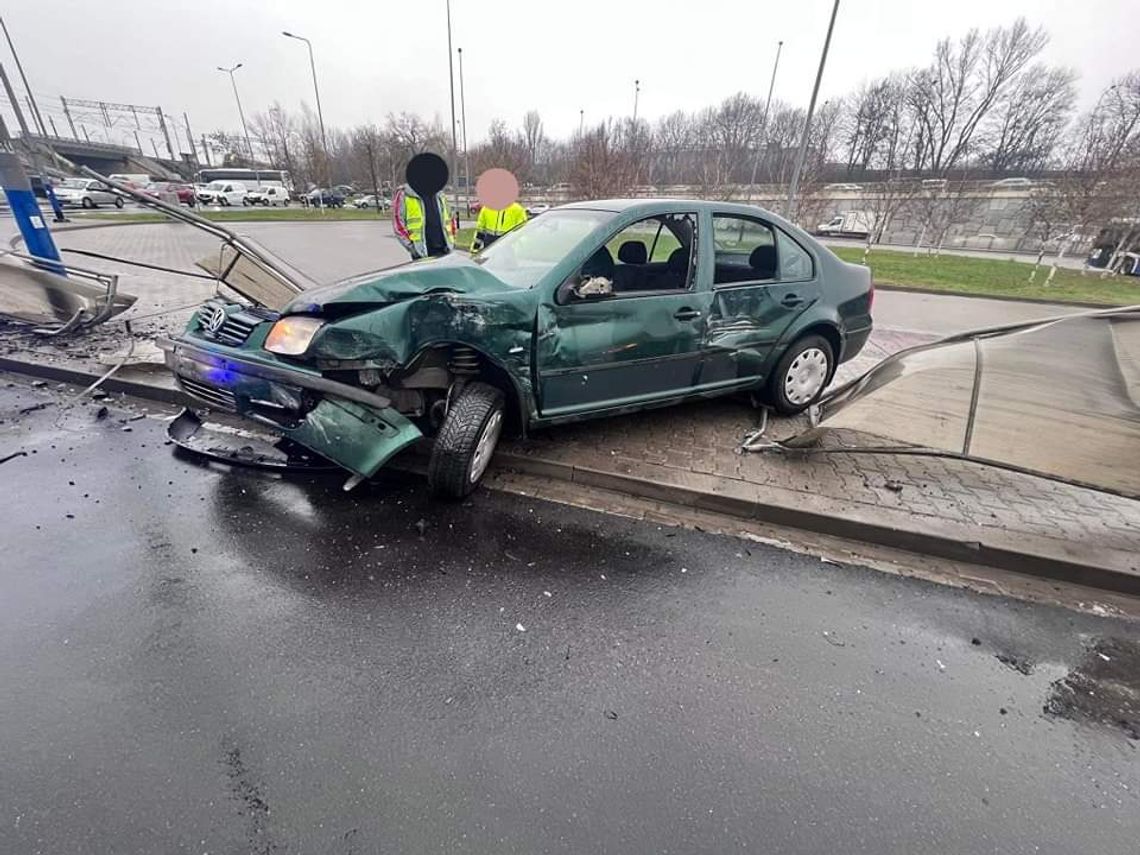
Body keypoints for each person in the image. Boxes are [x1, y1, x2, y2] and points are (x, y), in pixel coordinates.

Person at [392, 152, 454, 260]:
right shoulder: (404, 194)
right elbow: (398, 225)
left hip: (444, 250)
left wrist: (452, 242)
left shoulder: (439, 194)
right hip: (422, 251)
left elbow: (450, 218)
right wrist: (413, 248)